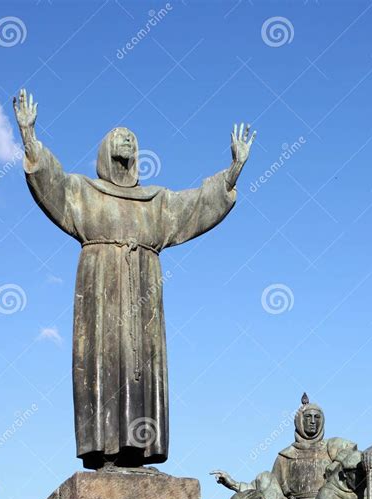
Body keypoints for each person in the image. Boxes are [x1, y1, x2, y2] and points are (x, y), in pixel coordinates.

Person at [13, 89, 256, 470]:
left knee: (142, 364)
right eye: (118, 137)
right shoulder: (83, 192)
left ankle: (137, 452)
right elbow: (51, 182)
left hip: (144, 293)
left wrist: (232, 173)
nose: (126, 140)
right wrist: (29, 136)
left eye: (131, 138)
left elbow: (195, 205)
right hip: (101, 290)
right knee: (103, 362)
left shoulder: (156, 201)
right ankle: (104, 449)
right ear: (104, 150)